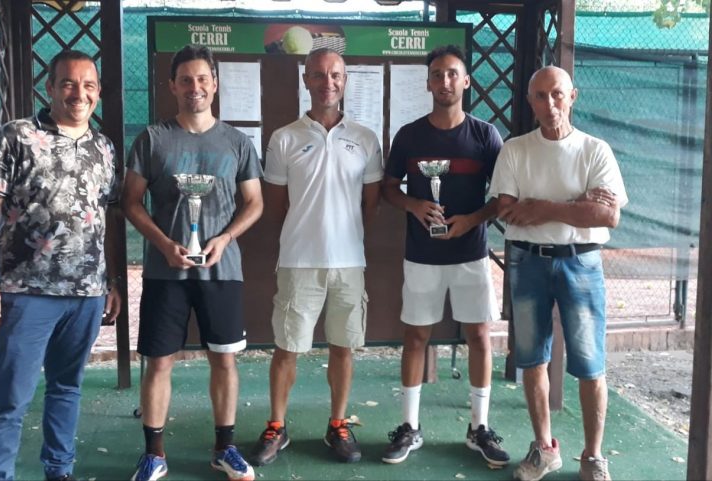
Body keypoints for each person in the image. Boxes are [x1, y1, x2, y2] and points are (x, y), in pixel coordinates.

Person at [0, 49, 122, 481]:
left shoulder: (104, 147)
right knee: (8, 401)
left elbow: (106, 216)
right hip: (23, 294)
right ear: (50, 87)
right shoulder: (17, 136)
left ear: (98, 92)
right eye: (68, 83)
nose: (79, 94)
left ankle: (59, 470)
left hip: (86, 295)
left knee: (67, 389)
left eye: (88, 85)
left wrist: (111, 281)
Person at [122, 45, 263, 481]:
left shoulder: (237, 142)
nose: (194, 87)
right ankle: (154, 454)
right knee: (160, 361)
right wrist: (165, 244)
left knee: (224, 360)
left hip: (222, 269)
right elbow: (130, 202)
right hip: (165, 271)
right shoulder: (152, 139)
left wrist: (225, 238)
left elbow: (255, 203)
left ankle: (225, 449)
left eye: (202, 79)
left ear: (214, 84)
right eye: (186, 80)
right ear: (172, 86)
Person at [488, 65, 627, 481]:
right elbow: (507, 209)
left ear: (572, 97)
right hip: (527, 261)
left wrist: (543, 208)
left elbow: (608, 215)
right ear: (529, 101)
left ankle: (593, 456)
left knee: (590, 363)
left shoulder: (595, 150)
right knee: (532, 359)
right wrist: (578, 204)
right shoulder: (515, 150)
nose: (550, 104)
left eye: (557, 94)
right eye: (540, 96)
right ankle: (544, 448)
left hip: (581, 261)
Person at [248, 47, 382, 466]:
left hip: (349, 262)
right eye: (319, 75)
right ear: (306, 80)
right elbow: (275, 205)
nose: (328, 83)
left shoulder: (365, 138)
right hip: (298, 261)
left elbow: (370, 203)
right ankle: (276, 425)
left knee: (343, 348)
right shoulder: (284, 137)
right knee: (286, 349)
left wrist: (343, 232)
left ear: (345, 81)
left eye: (336, 75)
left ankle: (338, 424)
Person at [380, 45, 510, 467]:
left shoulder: (485, 136)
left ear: (466, 81)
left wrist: (472, 220)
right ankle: (409, 427)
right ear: (428, 83)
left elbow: (503, 197)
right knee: (416, 337)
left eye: (453, 73)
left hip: (471, 253)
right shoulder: (409, 135)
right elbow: (388, 189)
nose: (445, 81)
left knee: (479, 337)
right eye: (437, 74)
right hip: (422, 255)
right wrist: (414, 205)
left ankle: (479, 428)